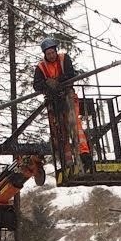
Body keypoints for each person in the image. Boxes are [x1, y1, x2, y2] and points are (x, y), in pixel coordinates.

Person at [32, 38, 92, 174]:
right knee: (59, 131)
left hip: (67, 96)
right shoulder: (41, 67)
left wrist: (56, 81)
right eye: (48, 54)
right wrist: (47, 84)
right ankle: (67, 162)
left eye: (53, 53)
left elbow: (70, 74)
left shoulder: (64, 59)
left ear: (56, 51)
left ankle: (84, 155)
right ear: (45, 54)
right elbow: (37, 85)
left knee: (74, 124)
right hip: (53, 101)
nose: (51, 56)